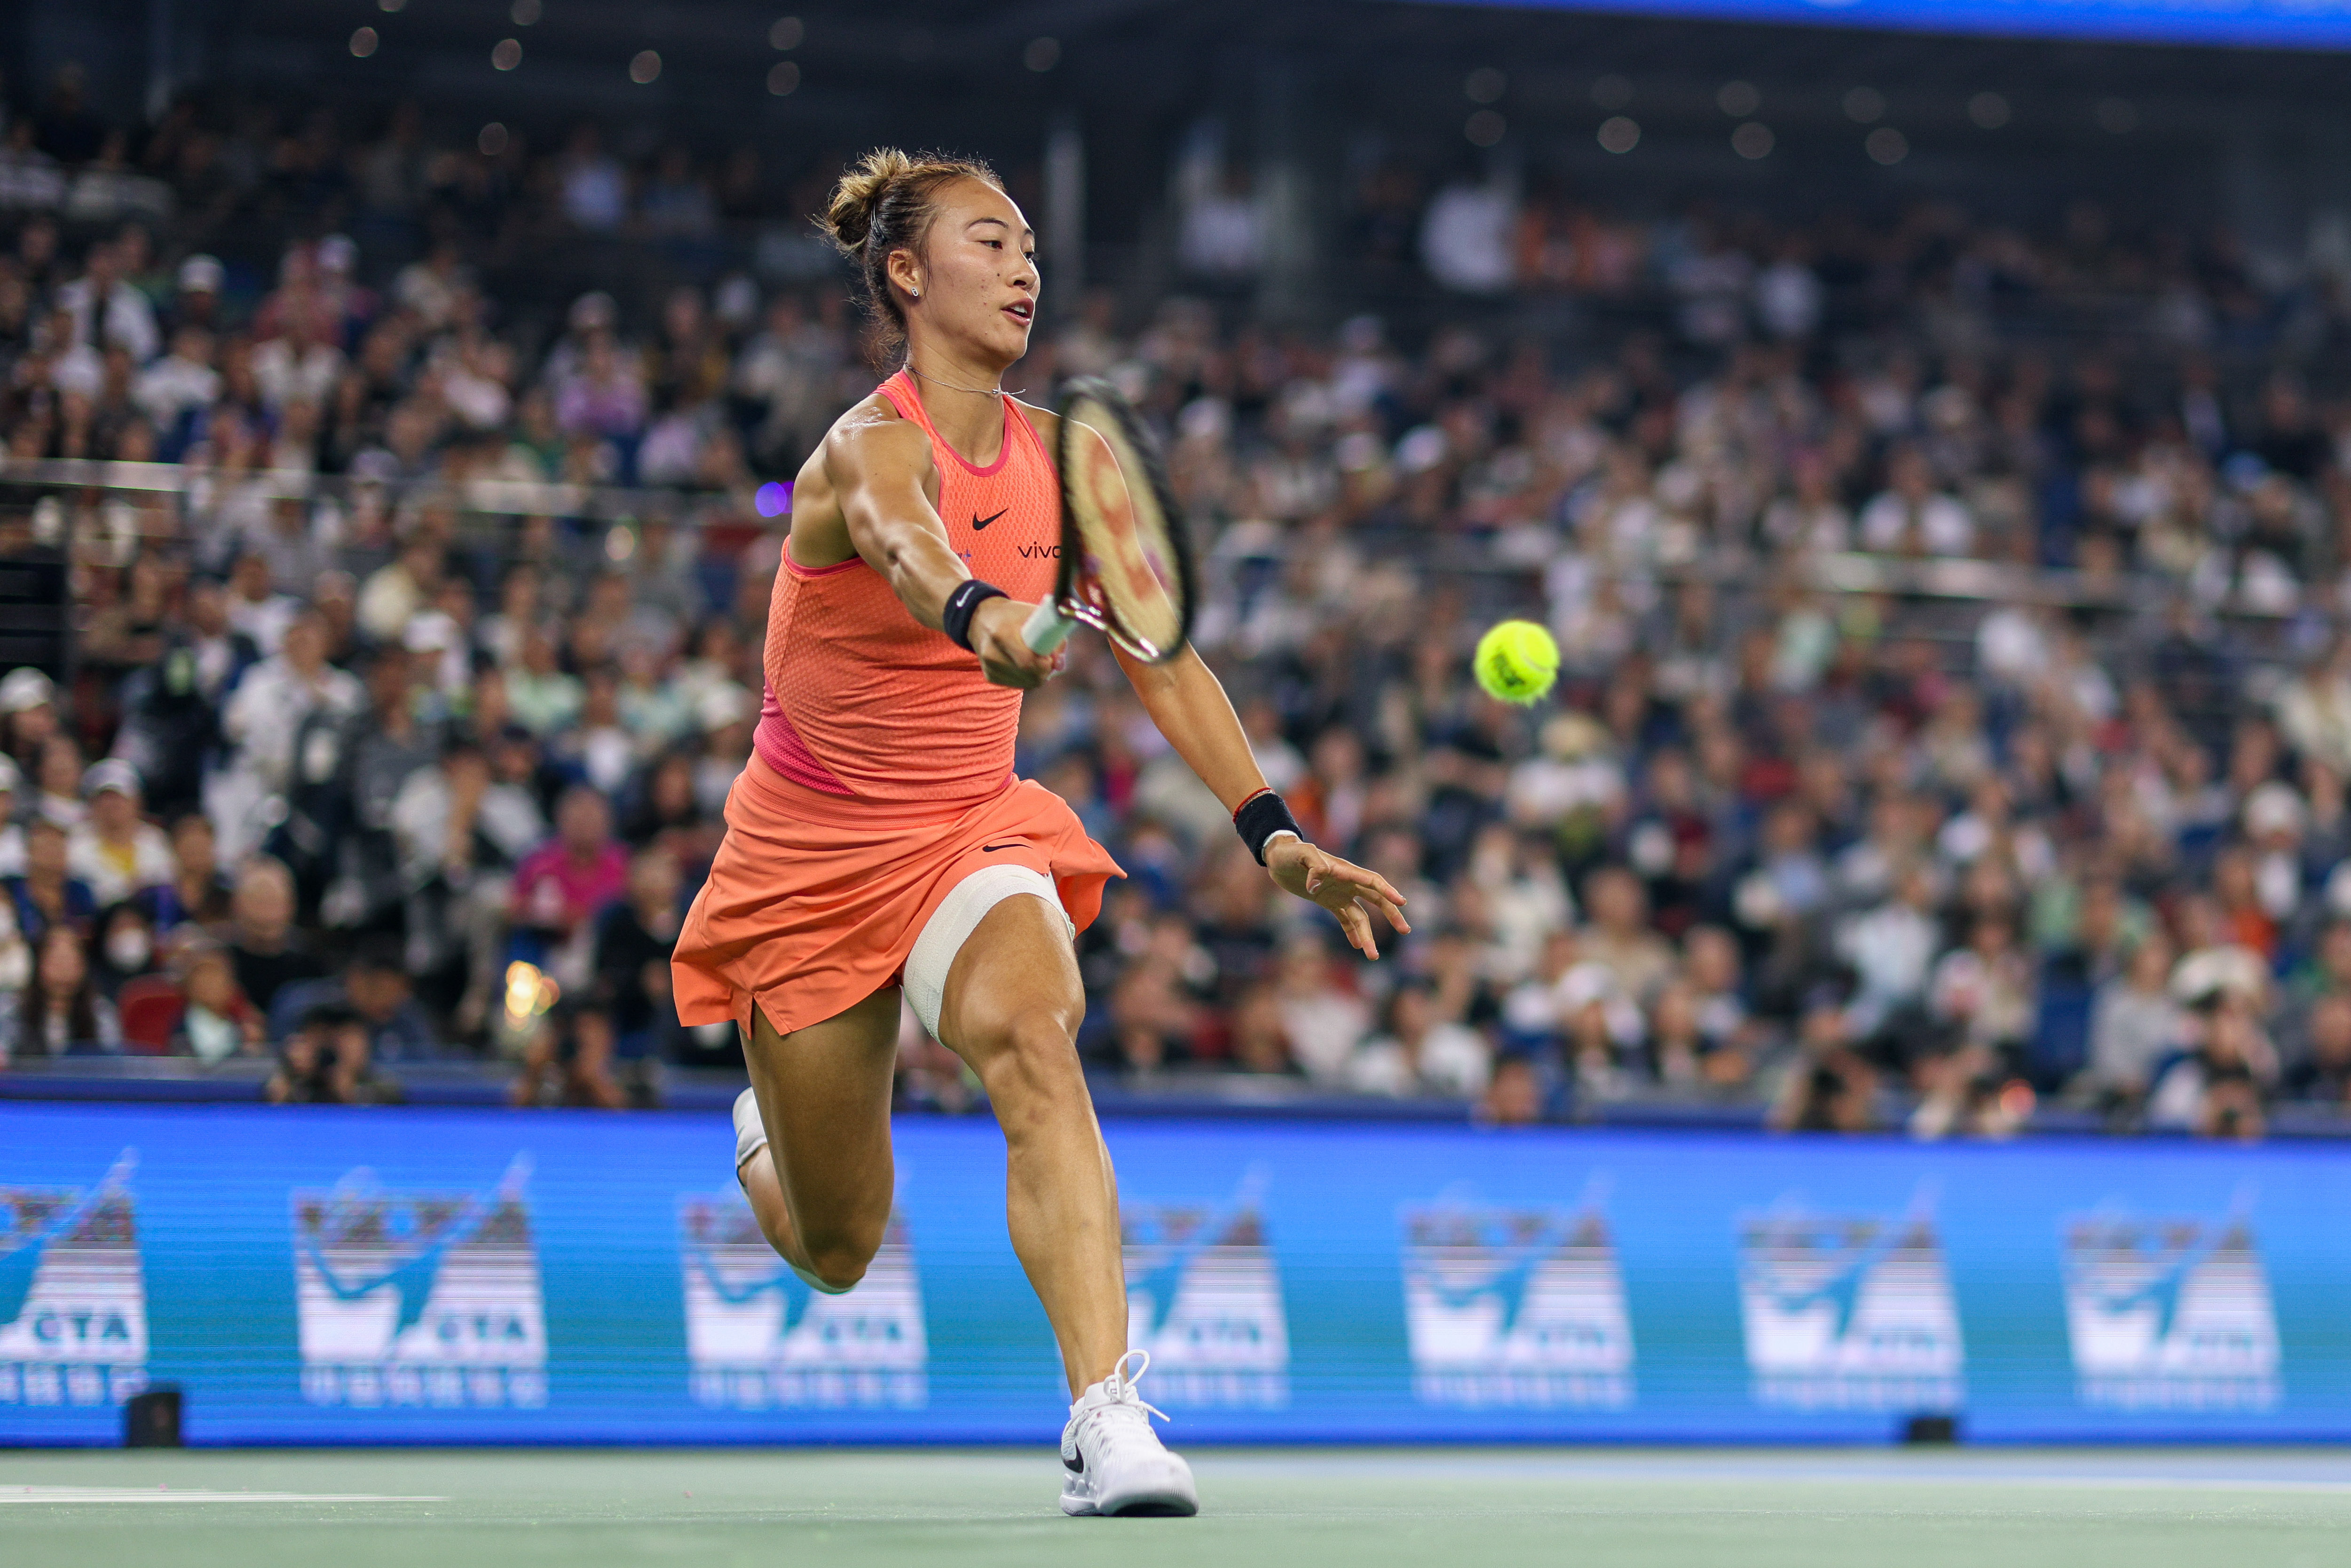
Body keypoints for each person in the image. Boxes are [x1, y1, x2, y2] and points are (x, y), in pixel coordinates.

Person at [670, 149, 1406, 1520]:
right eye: (989, 243)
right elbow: (908, 546)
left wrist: (1275, 836)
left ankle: (1103, 1416)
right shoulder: (864, 447)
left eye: (1029, 250)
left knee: (1035, 1034)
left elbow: (1163, 659)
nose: (1024, 271)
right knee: (837, 1247)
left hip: (968, 830)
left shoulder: (1075, 459)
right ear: (906, 273)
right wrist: (981, 616)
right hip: (809, 859)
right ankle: (766, 1133)